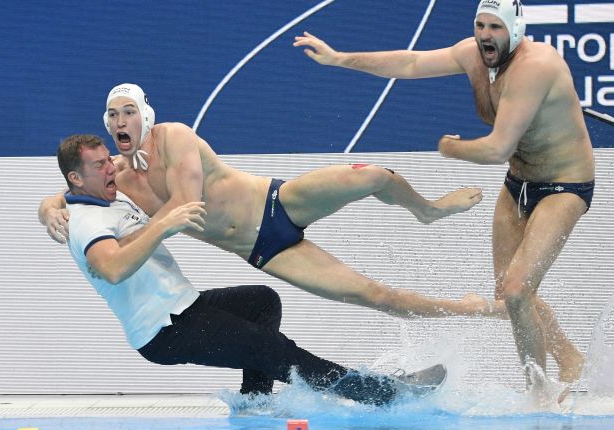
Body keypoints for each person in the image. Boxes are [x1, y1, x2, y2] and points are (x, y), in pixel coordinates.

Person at [294, 0, 592, 389]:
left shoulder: (536, 67)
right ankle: (569, 357)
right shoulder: (473, 55)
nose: (485, 34)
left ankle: (538, 392)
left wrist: (451, 148)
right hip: (518, 183)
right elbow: (410, 63)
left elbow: (497, 149)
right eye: (480, 25)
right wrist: (340, 59)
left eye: (495, 27)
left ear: (516, 30)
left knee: (519, 292)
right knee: (509, 298)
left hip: (564, 185)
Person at [40, 83, 507, 321]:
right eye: (112, 115)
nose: (119, 122)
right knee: (373, 296)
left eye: (127, 113)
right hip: (263, 251)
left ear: (144, 116)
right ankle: (471, 310)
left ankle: (426, 209)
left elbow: (187, 205)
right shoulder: (115, 175)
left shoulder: (175, 138)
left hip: (277, 203)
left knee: (373, 176)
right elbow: (69, 189)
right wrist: (48, 208)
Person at [54, 133, 447, 405]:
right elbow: (112, 269)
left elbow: (61, 199)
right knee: (273, 350)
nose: (111, 168)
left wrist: (45, 209)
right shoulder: (87, 222)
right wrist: (162, 225)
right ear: (76, 177)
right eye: (100, 165)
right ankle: (383, 393)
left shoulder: (102, 197)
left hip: (184, 307)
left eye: (109, 159)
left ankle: (254, 403)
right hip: (164, 329)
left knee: (261, 302)